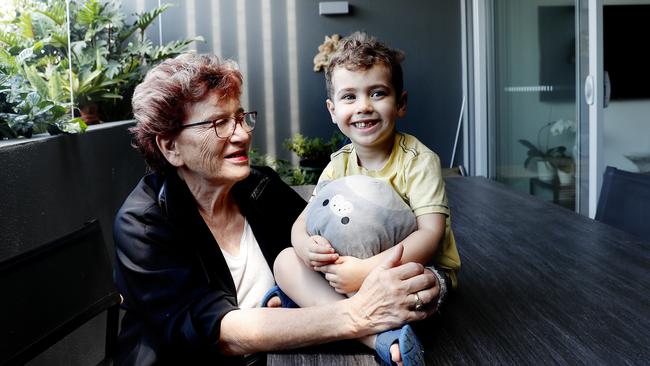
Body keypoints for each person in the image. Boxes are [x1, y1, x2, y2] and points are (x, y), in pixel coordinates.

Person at [113, 53, 441, 366]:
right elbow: (218, 333)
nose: (242, 134)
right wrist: (360, 313)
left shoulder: (258, 186)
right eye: (219, 123)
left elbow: (327, 246)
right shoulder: (143, 224)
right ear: (170, 146)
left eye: (240, 117)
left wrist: (407, 279)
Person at [273, 32, 462, 366]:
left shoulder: (418, 161)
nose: (363, 106)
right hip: (348, 268)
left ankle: (315, 309)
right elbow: (302, 222)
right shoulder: (338, 164)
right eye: (349, 97)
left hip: (406, 267)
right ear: (332, 110)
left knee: (421, 289)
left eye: (377, 93)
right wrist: (305, 247)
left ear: (400, 103)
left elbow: (429, 236)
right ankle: (374, 335)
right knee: (285, 260)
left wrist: (366, 272)